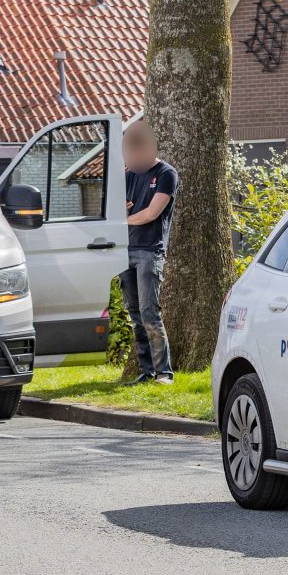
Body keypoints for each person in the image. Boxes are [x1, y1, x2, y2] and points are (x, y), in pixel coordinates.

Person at [120, 120, 177, 384]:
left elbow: (151, 214)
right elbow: (115, 208)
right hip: (125, 251)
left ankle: (164, 372)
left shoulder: (166, 173)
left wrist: (123, 219)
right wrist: (121, 212)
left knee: (149, 312)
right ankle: (146, 371)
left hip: (149, 252)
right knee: (135, 315)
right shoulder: (129, 175)